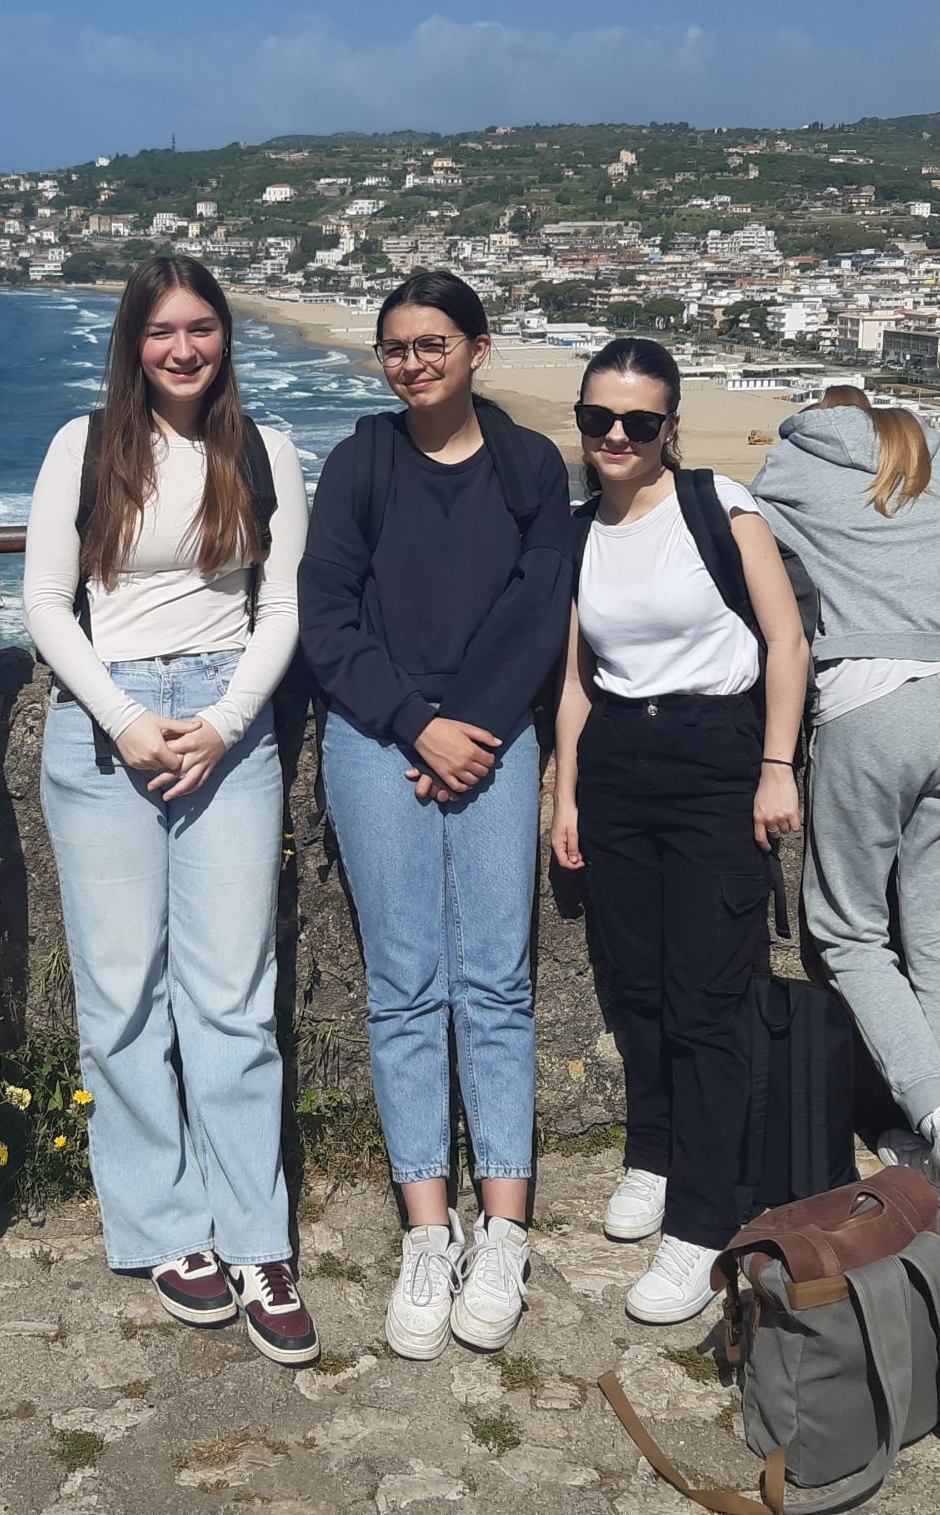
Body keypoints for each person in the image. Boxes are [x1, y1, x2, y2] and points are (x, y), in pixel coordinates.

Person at [23, 258, 317, 1366]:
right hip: (106, 725)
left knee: (232, 995)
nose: (182, 349)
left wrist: (227, 721)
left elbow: (280, 607)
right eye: (161, 332)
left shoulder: (265, 450)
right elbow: (44, 602)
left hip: (225, 718)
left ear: (224, 336)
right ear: (131, 344)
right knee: (121, 992)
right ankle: (164, 1225)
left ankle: (256, 1239)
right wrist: (124, 717)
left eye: (200, 328)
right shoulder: (84, 446)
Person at [298, 269, 571, 1360]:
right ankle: (427, 1228)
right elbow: (325, 614)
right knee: (405, 985)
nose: (413, 363)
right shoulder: (361, 461)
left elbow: (540, 606)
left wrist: (472, 728)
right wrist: (419, 726)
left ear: (477, 349)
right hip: (380, 742)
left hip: (494, 739)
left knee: (496, 982)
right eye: (396, 347)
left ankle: (504, 1228)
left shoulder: (527, 463)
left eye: (433, 344)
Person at [548, 338, 808, 1327]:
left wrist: (775, 766)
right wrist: (568, 792)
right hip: (619, 759)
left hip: (713, 758)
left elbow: (785, 640)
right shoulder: (580, 531)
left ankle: (703, 1219)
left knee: (708, 996)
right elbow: (577, 679)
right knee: (638, 983)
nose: (615, 436)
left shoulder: (717, 508)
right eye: (598, 419)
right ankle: (653, 1156)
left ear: (669, 428)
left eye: (638, 422)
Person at [752, 384, 940, 1239]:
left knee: (849, 932)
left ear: (814, 417)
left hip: (873, 701)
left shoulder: (794, 464)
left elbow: (744, 559)